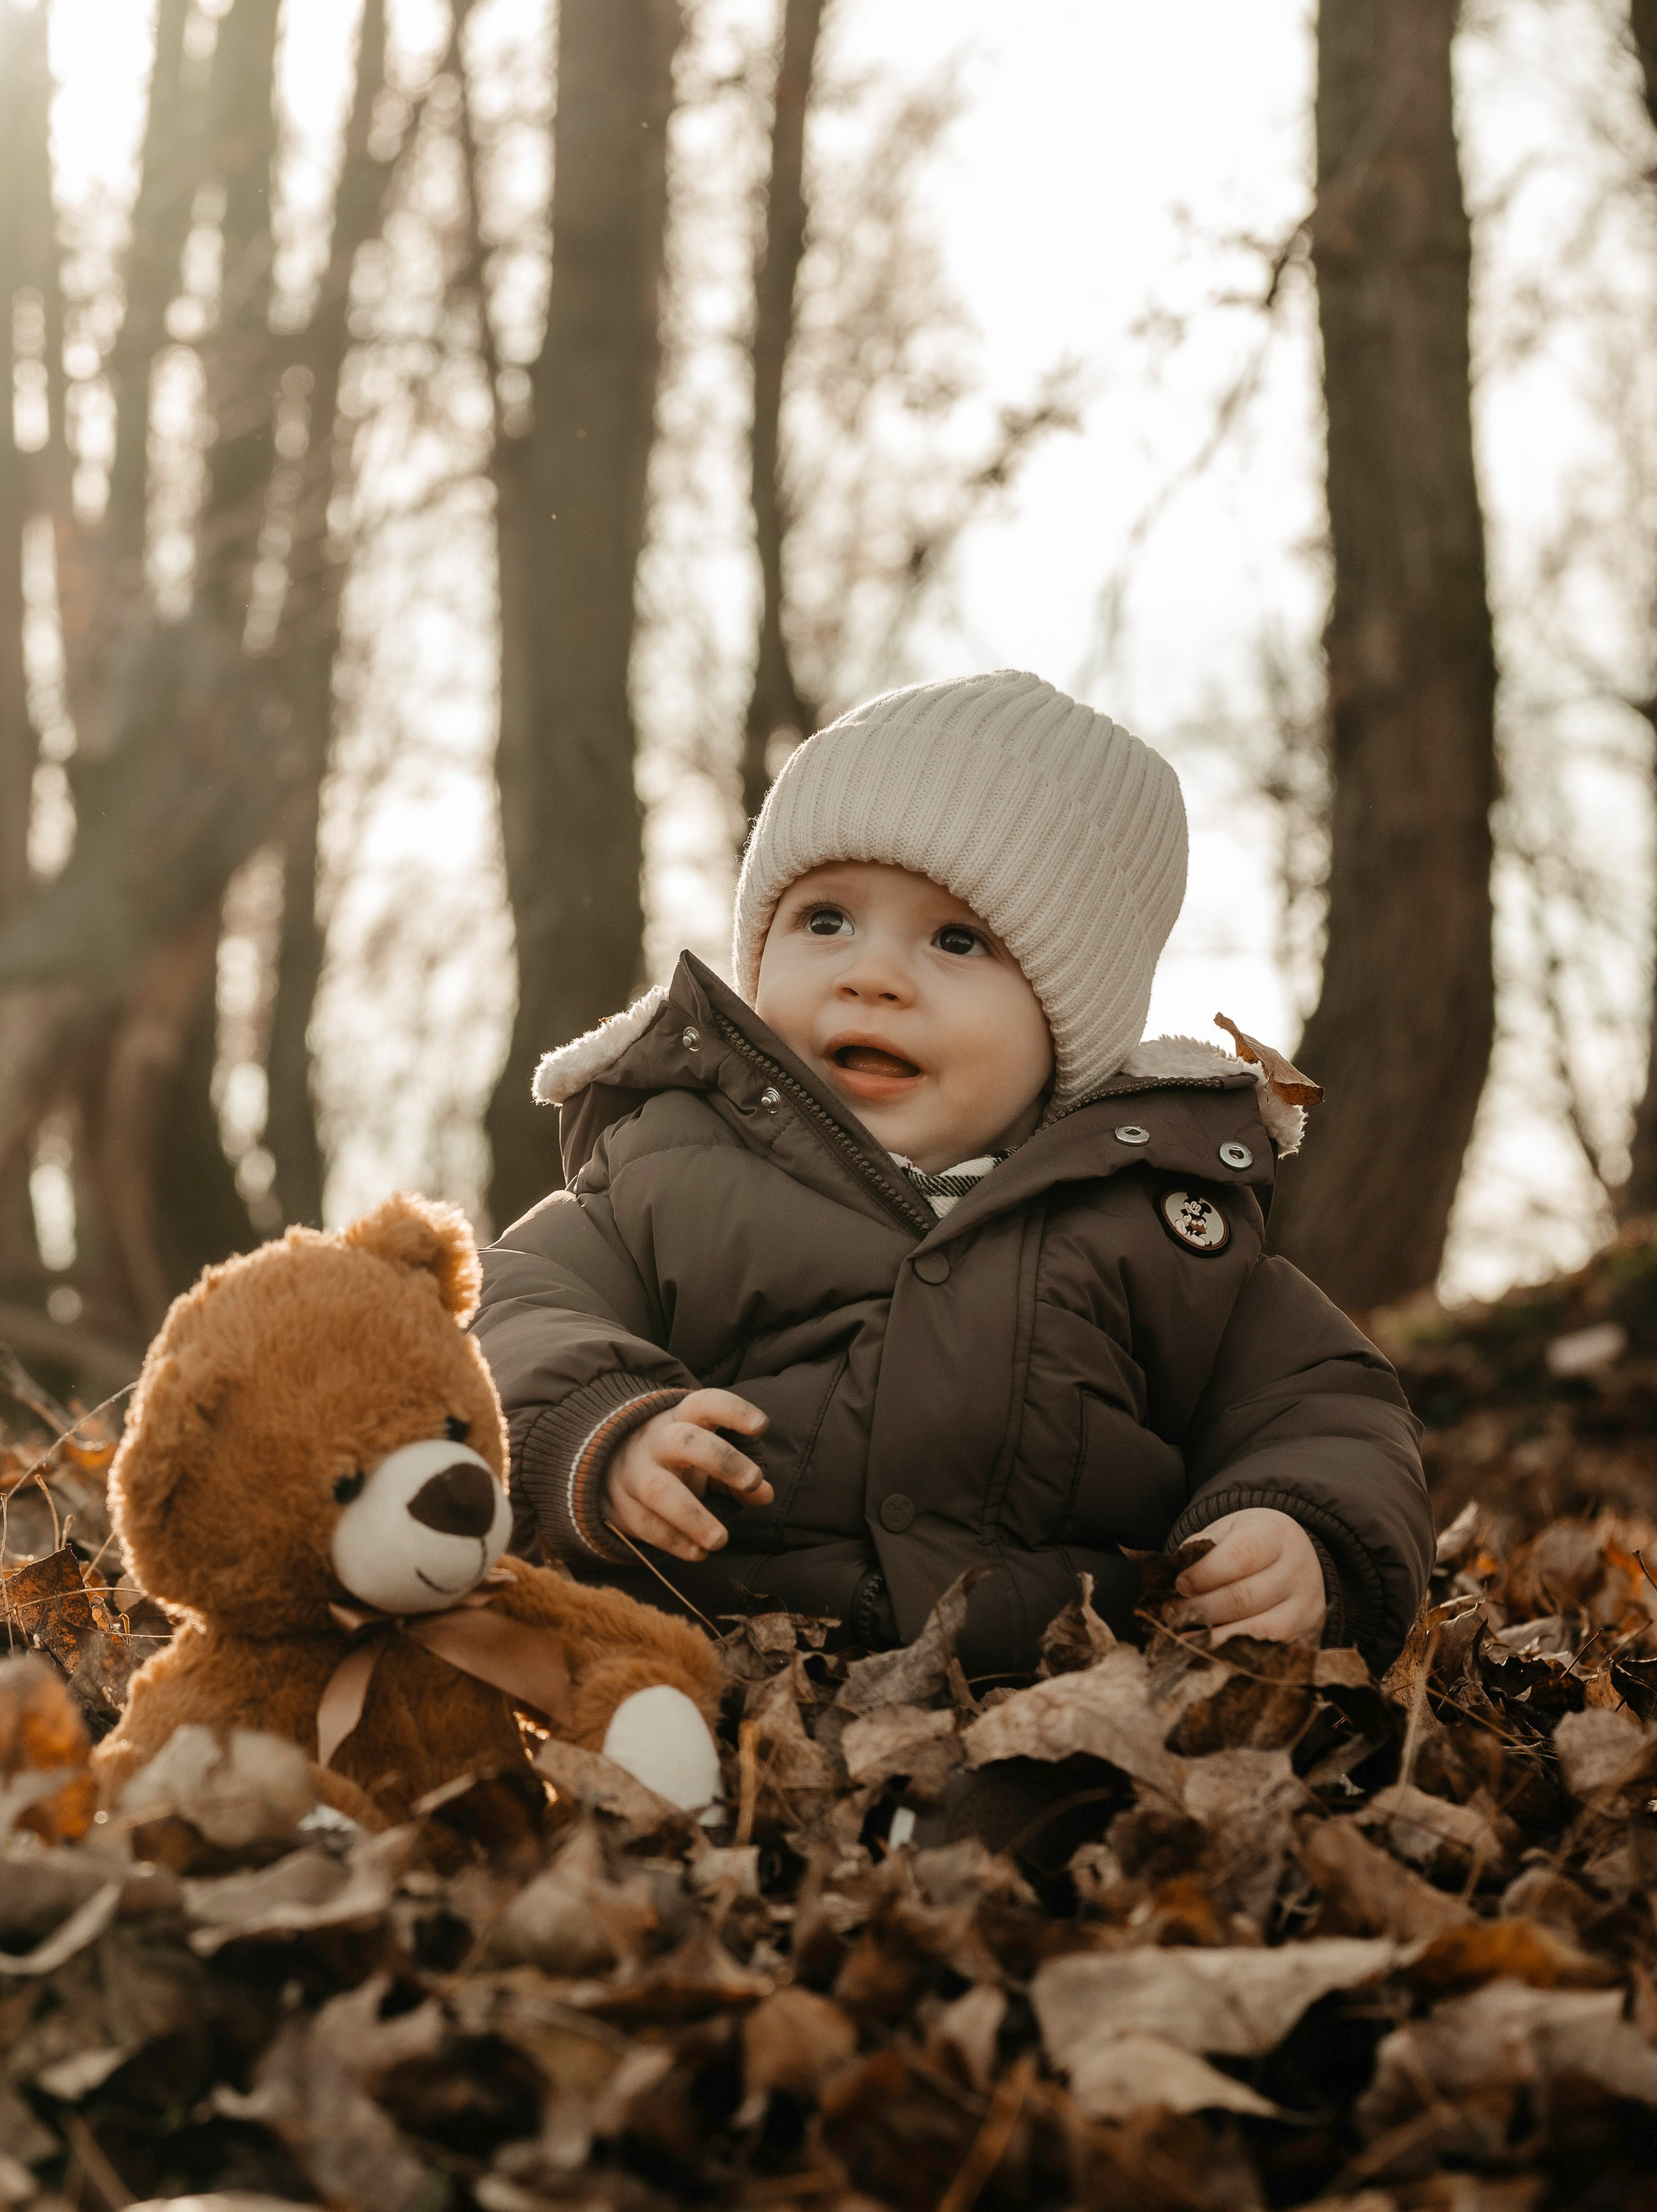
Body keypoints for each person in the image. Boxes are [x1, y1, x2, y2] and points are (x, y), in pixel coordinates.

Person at [473, 670, 1432, 1685]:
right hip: (710, 1675)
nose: (872, 975)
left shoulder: (1158, 1220)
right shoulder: (674, 1163)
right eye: (826, 921)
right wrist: (603, 1434)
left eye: (957, 939)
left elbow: (1324, 1404)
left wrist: (1298, 1533)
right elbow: (514, 1303)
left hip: (1047, 1712)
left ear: (1070, 1021)